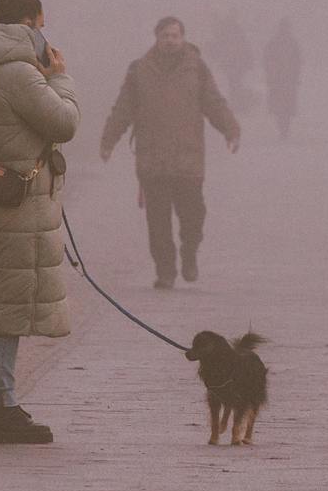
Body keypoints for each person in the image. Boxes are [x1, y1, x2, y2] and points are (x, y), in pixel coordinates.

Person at [0, 0, 79, 445]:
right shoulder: (20, 74)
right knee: (3, 308)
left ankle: (2, 400)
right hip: (18, 204)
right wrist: (62, 78)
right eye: (44, 26)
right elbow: (64, 122)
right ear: (29, 25)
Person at [101, 16, 241, 289]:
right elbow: (123, 109)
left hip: (188, 158)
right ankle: (165, 270)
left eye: (175, 35)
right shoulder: (139, 70)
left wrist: (231, 131)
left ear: (183, 38)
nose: (170, 40)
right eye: (165, 35)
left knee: (194, 215)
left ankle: (189, 252)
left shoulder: (197, 69)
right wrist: (108, 141)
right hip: (152, 159)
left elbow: (214, 103)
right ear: (157, 38)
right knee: (158, 223)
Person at [262, 19, 302, 139]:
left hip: (281, 79)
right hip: (283, 80)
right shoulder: (289, 43)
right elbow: (298, 61)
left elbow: (297, 61)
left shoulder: (275, 43)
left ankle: (283, 129)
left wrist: (270, 74)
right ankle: (284, 129)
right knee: (284, 106)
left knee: (281, 106)